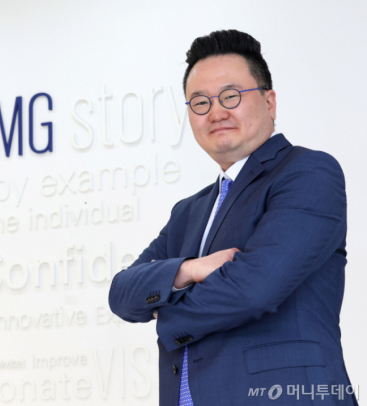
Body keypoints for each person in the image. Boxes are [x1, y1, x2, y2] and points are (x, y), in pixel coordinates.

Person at [108, 30, 357, 405]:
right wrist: (191, 269)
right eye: (200, 102)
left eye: (231, 96)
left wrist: (165, 309)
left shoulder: (308, 173)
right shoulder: (188, 211)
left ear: (269, 102)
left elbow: (254, 290)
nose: (216, 112)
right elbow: (122, 294)